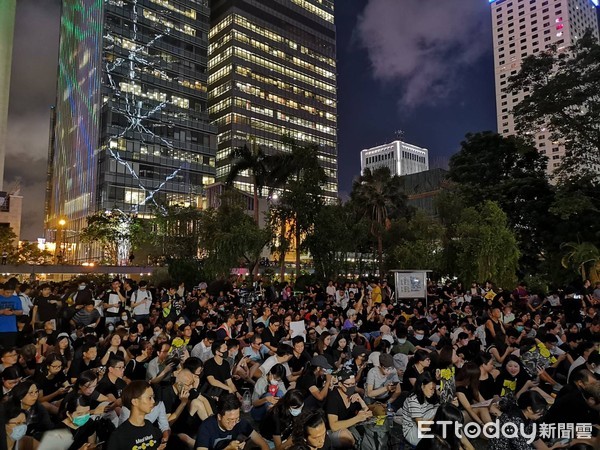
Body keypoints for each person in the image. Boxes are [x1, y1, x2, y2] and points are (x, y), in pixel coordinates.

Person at [194, 393, 269, 450]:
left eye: (237, 418)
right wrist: (228, 448)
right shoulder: (206, 427)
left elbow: (263, 443)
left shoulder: (239, 422)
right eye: (230, 420)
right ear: (219, 417)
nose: (234, 423)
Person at [107, 380, 165, 450]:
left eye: (153, 397)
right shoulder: (119, 436)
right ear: (134, 401)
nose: (153, 401)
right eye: (149, 398)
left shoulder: (150, 426)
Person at [324, 368, 372, 449]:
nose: (351, 387)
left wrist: (361, 401)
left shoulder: (353, 395)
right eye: (348, 385)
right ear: (340, 384)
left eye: (353, 384)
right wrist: (357, 418)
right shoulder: (333, 397)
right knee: (345, 436)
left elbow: (369, 415)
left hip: (349, 428)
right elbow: (333, 426)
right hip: (332, 432)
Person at [489, 391, 553, 450]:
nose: (541, 415)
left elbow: (535, 438)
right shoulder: (514, 421)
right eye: (540, 413)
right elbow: (522, 447)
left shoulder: (526, 416)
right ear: (529, 409)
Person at [399, 372, 440, 447]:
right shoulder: (413, 400)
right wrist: (439, 414)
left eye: (434, 389)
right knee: (441, 412)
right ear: (422, 386)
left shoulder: (430, 396)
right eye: (431, 389)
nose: (433, 392)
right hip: (413, 432)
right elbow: (422, 427)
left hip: (425, 423)